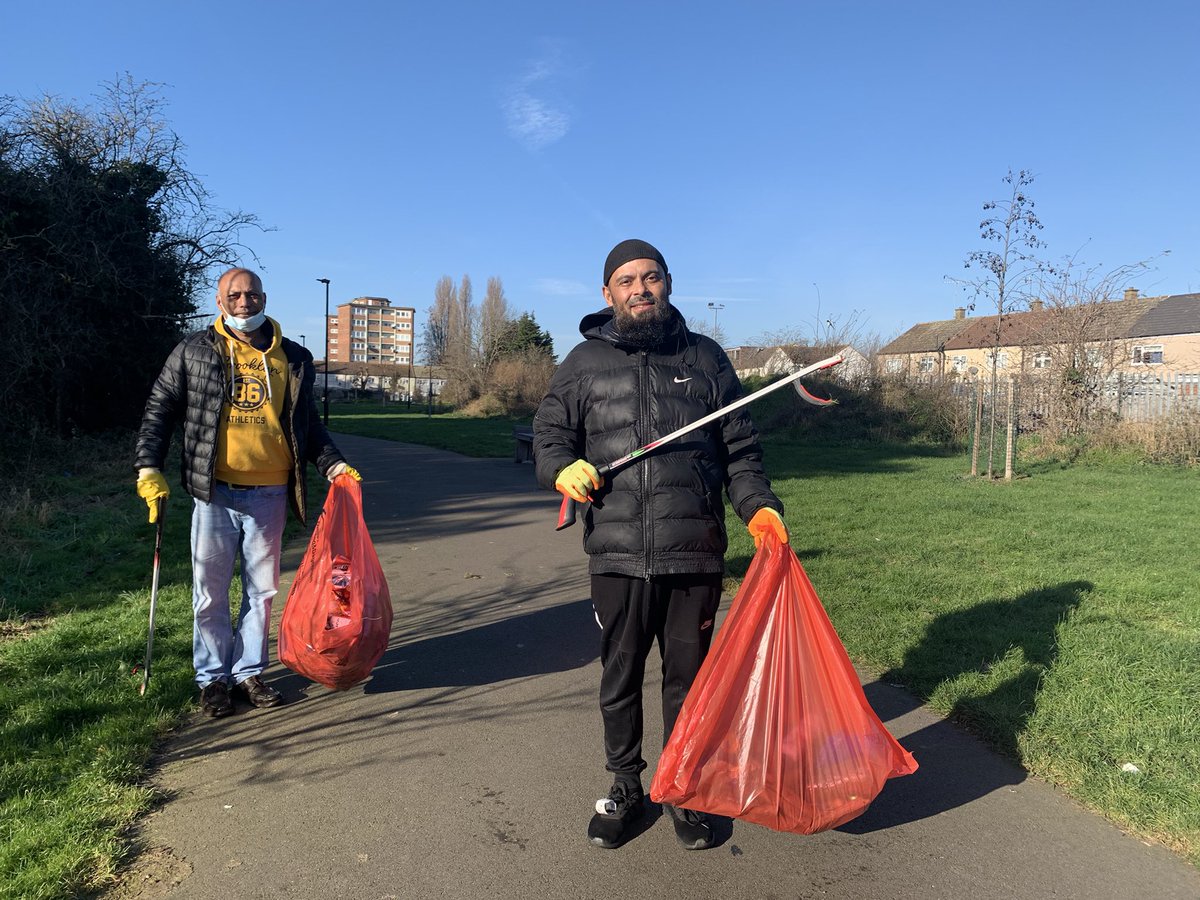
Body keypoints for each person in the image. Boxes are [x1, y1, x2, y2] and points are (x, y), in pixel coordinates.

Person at [533, 239, 790, 851]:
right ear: (607, 293)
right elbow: (549, 436)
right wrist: (561, 468)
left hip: (693, 548)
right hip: (617, 554)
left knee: (689, 678)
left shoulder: (705, 358)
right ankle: (625, 784)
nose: (640, 289)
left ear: (669, 283)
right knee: (619, 674)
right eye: (626, 281)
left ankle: (680, 785)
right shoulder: (582, 363)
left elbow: (741, 452)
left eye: (651, 278)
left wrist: (759, 508)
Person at [134, 267, 360, 718]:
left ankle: (249, 673)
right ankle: (213, 679)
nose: (244, 302)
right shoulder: (193, 351)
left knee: (261, 591)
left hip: (269, 492)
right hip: (213, 491)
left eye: (252, 294)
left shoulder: (292, 357)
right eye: (234, 295)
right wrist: (147, 468)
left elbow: (307, 425)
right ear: (220, 302)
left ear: (264, 298)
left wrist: (332, 463)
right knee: (210, 592)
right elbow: (160, 407)